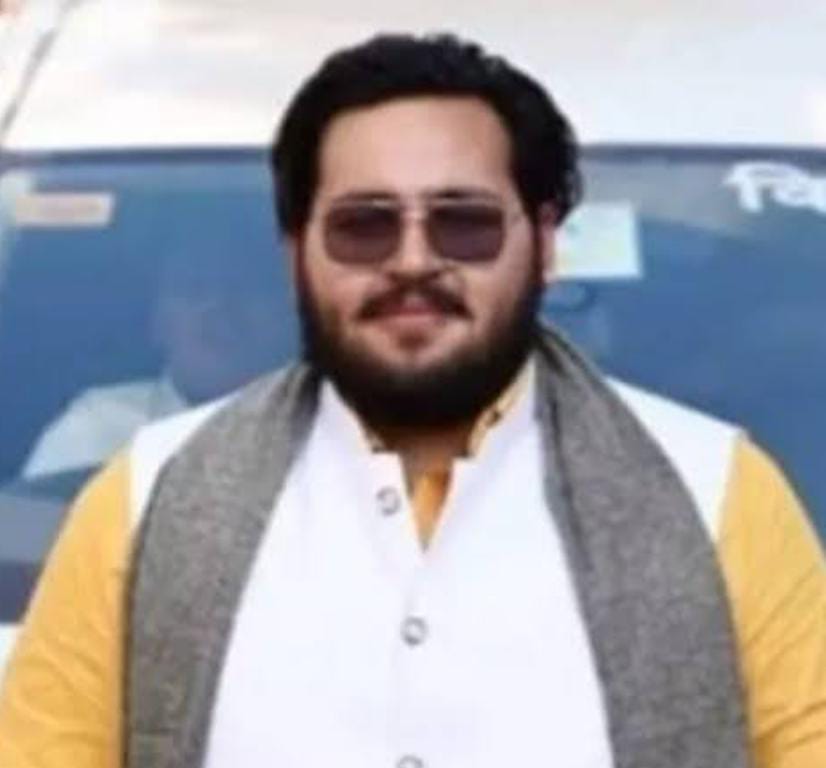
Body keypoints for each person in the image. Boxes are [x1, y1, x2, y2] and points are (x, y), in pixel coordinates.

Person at [1, 33, 825, 768]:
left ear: (544, 244)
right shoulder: (147, 497)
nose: (413, 260)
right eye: (364, 226)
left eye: (464, 223)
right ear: (296, 251)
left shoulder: (718, 495)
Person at [21, 245, 284, 478]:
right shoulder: (96, 431)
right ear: (159, 324)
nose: (219, 308)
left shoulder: (307, 436)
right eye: (195, 290)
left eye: (246, 290)